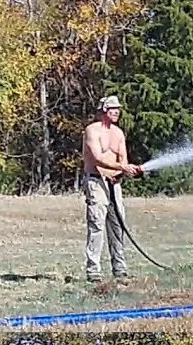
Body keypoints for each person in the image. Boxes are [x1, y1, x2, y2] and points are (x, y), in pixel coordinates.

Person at [81, 96, 141, 283]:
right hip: (96, 182)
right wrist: (122, 167)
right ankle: (93, 271)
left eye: (118, 109)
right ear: (104, 110)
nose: (116, 112)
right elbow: (97, 158)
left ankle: (120, 268)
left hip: (114, 184)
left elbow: (122, 158)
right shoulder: (92, 130)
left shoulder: (118, 133)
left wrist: (125, 171)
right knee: (97, 224)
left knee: (117, 225)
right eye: (112, 109)